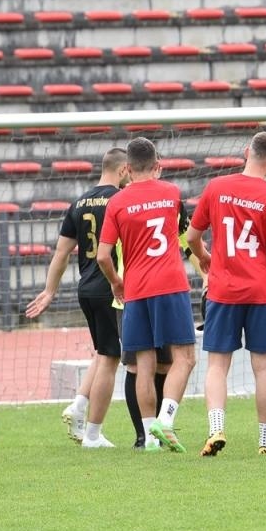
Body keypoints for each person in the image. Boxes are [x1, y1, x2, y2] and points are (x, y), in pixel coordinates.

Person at [186, 131, 266, 457]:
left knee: (216, 365)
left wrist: (205, 256)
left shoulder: (217, 188)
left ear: (246, 152)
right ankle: (265, 442)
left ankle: (215, 430)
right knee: (264, 366)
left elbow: (192, 236)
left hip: (224, 289)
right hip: (260, 290)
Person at [96, 137, 197, 453]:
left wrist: (115, 282)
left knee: (144, 362)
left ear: (126, 168)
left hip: (135, 289)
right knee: (185, 357)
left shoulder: (117, 202)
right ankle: (165, 422)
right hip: (170, 284)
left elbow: (102, 255)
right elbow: (185, 234)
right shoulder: (171, 193)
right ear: (158, 166)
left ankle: (150, 438)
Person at [25, 147, 130, 448]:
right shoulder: (119, 200)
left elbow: (61, 252)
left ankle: (79, 406)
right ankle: (93, 434)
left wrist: (49, 290)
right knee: (111, 358)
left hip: (85, 288)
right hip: (110, 286)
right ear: (123, 170)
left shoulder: (80, 201)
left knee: (103, 351)